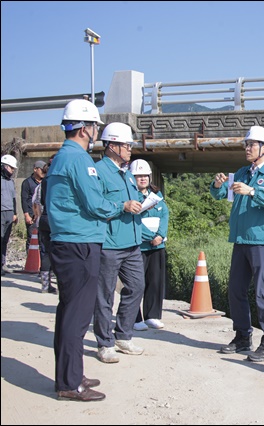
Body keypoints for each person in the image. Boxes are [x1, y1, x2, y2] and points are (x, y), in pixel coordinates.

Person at [47, 99, 141, 402]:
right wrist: (120, 206)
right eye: (94, 126)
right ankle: (70, 384)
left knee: (68, 313)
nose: (96, 131)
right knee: (76, 316)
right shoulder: (79, 159)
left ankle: (71, 374)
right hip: (79, 243)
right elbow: (95, 204)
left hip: (69, 241)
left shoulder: (63, 156)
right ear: (84, 128)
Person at [210, 125, 264, 362]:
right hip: (240, 239)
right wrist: (217, 185)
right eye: (246, 144)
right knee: (236, 290)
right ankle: (243, 336)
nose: (247, 148)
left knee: (263, 292)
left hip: (262, 242)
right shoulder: (242, 172)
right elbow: (221, 195)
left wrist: (253, 191)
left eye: (251, 145)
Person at [93, 122, 146, 364]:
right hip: (109, 244)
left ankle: (123, 335)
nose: (130, 149)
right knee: (104, 295)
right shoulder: (98, 172)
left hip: (132, 242)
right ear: (112, 146)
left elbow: (132, 202)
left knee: (136, 287)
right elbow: (95, 205)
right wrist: (121, 206)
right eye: (127, 145)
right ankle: (104, 343)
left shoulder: (127, 173)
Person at [129, 159, 170, 332]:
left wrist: (160, 235)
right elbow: (134, 220)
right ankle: (134, 317)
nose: (142, 178)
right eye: (138, 176)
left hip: (157, 246)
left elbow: (165, 214)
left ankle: (152, 315)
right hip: (139, 246)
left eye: (145, 175)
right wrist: (149, 237)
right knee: (136, 283)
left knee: (155, 281)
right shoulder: (131, 197)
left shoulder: (156, 196)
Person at [31, 155, 57, 294]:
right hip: (56, 220)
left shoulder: (43, 182)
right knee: (59, 252)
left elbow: (38, 201)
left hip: (44, 219)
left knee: (45, 252)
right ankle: (62, 285)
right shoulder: (58, 180)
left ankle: (45, 285)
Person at [21, 159, 47, 255]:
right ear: (35, 169)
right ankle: (30, 259)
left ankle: (41, 260)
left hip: (42, 215)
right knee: (32, 238)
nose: (43, 172)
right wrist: (27, 215)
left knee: (42, 239)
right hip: (32, 216)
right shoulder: (27, 182)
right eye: (42, 170)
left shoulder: (45, 182)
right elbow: (24, 199)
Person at [1, 154, 19, 276]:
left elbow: (13, 199)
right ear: (4, 166)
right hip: (1, 212)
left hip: (9, 213)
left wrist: (15, 213)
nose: (12, 171)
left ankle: (3, 263)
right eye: (11, 168)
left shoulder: (11, 182)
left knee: (5, 240)